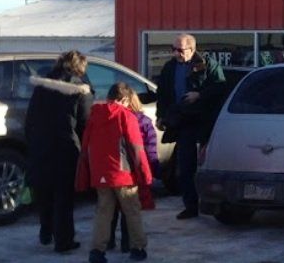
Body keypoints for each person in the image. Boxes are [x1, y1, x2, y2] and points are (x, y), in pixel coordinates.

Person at [24, 50, 93, 254]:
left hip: (40, 145)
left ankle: (46, 232)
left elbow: (30, 119)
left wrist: (33, 142)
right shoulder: (80, 91)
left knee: (44, 192)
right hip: (65, 148)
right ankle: (63, 240)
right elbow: (84, 124)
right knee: (63, 196)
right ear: (80, 67)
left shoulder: (41, 86)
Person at [76, 83, 152, 263]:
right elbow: (136, 148)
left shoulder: (95, 115)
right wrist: (145, 174)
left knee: (103, 212)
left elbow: (85, 145)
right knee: (132, 211)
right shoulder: (126, 116)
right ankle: (138, 247)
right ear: (125, 99)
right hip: (123, 173)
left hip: (101, 173)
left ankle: (97, 250)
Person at [155, 34, 226, 220]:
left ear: (192, 49)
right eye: (173, 49)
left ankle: (215, 203)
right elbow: (162, 94)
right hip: (182, 121)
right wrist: (161, 116)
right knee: (185, 166)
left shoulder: (207, 64)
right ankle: (190, 206)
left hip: (204, 121)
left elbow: (220, 87)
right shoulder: (170, 68)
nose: (176, 53)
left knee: (207, 165)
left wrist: (199, 95)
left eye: (180, 50)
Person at [107, 89, 159, 253]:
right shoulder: (143, 121)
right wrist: (153, 167)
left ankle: (109, 240)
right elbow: (150, 147)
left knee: (111, 208)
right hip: (133, 169)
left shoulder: (111, 119)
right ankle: (127, 243)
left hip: (114, 168)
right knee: (129, 209)